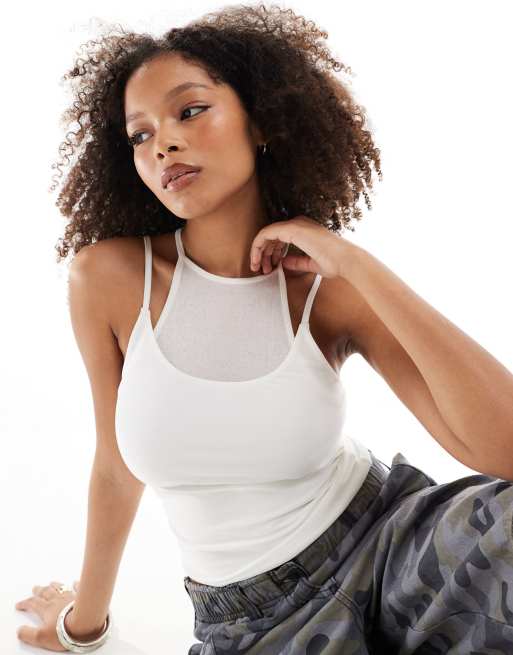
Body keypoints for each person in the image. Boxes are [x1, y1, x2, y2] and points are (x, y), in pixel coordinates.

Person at [15, 5, 513, 653]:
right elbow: (115, 465)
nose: (163, 144)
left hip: (398, 548)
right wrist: (82, 623)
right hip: (253, 620)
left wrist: (359, 266)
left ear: (262, 121)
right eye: (140, 134)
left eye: (190, 110)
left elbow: (504, 449)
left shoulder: (327, 287)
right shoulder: (108, 279)